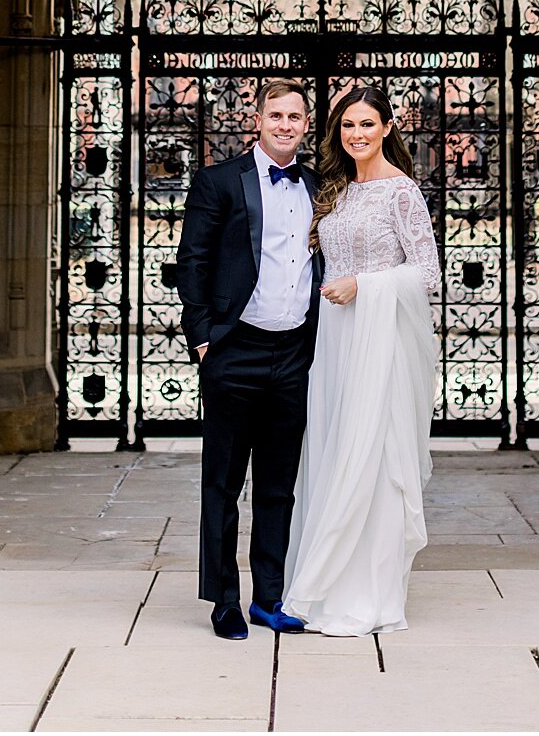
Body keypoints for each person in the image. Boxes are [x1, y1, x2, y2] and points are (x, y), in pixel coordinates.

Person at [282, 83, 440, 637]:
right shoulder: (337, 190)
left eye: (367, 124)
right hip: (334, 342)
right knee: (330, 449)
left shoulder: (403, 194)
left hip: (381, 341)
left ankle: (367, 593)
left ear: (388, 128)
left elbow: (427, 273)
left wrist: (364, 287)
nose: (357, 134)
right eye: (348, 125)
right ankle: (321, 581)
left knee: (373, 457)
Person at [175, 78, 322, 640]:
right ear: (256, 120)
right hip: (234, 350)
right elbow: (192, 261)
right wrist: (203, 335)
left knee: (279, 484)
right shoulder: (220, 182)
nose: (286, 124)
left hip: (293, 354)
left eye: (296, 117)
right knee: (223, 481)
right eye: (276, 115)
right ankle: (223, 601)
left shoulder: (317, 185)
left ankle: (269, 597)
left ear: (306, 125)